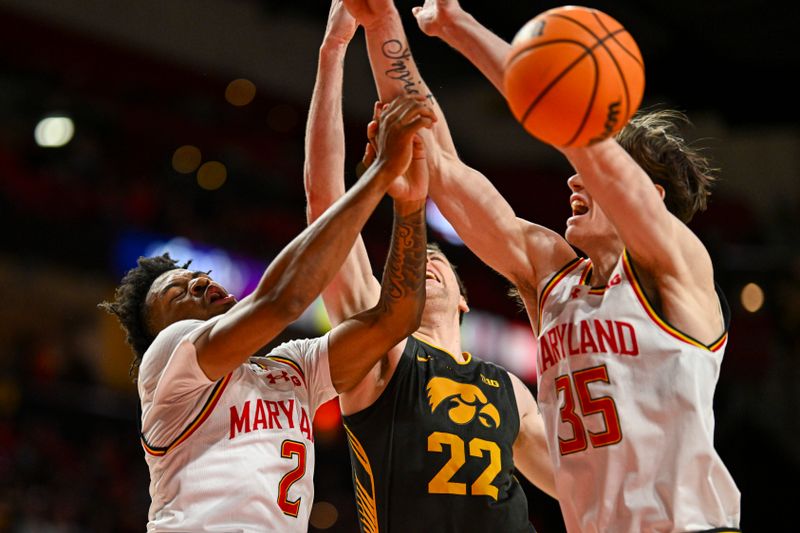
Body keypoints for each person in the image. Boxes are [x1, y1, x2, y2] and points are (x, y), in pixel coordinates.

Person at [404, 1, 742, 531]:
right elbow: (445, 172)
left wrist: (460, 27)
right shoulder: (553, 282)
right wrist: (383, 28)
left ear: (646, 196)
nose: (572, 180)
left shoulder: (678, 269)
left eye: (596, 173)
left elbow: (567, 121)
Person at [98, 90, 435, 531]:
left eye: (196, 276)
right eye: (176, 292)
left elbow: (396, 319)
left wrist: (409, 204)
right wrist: (378, 173)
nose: (200, 281)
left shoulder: (292, 368)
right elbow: (282, 301)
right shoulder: (169, 358)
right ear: (161, 329)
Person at [303, 2, 556, 532]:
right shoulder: (376, 350)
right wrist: (332, 53)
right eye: (419, 258)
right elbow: (324, 207)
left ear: (465, 300)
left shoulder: (509, 387)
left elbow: (572, 482)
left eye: (437, 260)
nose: (427, 263)